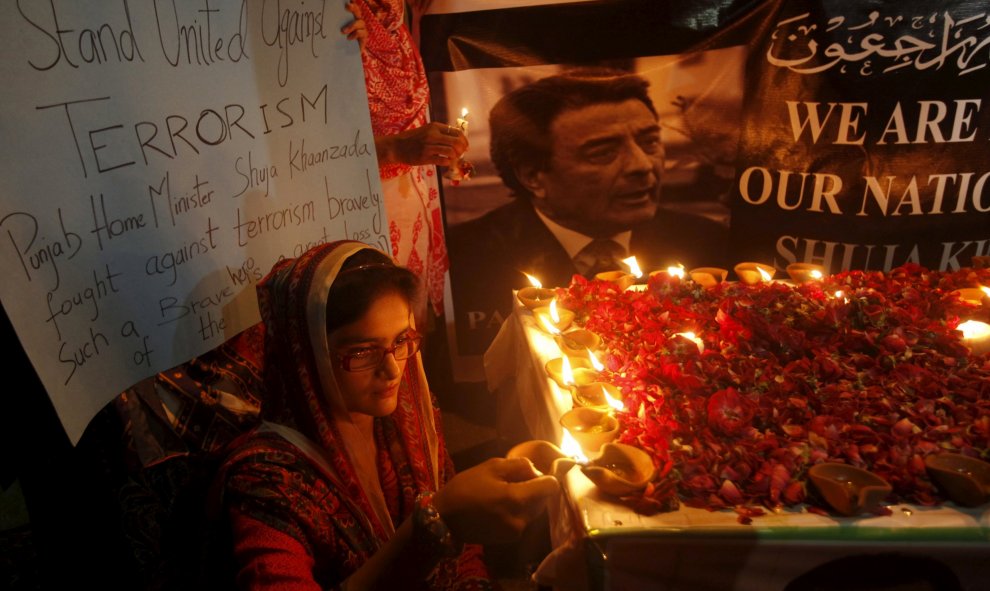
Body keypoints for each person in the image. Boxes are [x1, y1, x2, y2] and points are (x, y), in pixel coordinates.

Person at [213, 241, 558, 590]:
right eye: (363, 351)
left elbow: (465, 553)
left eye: (402, 340)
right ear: (307, 354)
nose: (392, 370)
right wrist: (432, 524)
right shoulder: (265, 482)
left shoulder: (406, 420)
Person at [445, 67, 729, 355]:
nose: (642, 165)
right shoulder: (465, 258)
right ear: (532, 175)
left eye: (649, 142)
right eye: (603, 152)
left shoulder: (705, 244)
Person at [343, 1, 468, 329]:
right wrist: (394, 149)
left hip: (412, 219)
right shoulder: (327, 20)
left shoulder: (398, 12)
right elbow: (293, 155)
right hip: (351, 228)